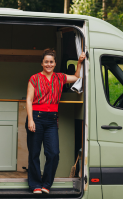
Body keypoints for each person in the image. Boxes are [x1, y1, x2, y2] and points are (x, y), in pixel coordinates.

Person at [26, 48, 85, 194]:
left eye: (51, 62)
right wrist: (30, 120)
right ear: (42, 63)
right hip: (36, 117)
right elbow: (29, 100)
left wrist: (79, 62)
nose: (49, 64)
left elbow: (77, 77)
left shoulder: (60, 77)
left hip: (52, 119)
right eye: (46, 62)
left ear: (55, 63)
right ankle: (35, 186)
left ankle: (46, 184)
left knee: (53, 153)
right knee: (34, 153)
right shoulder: (34, 78)